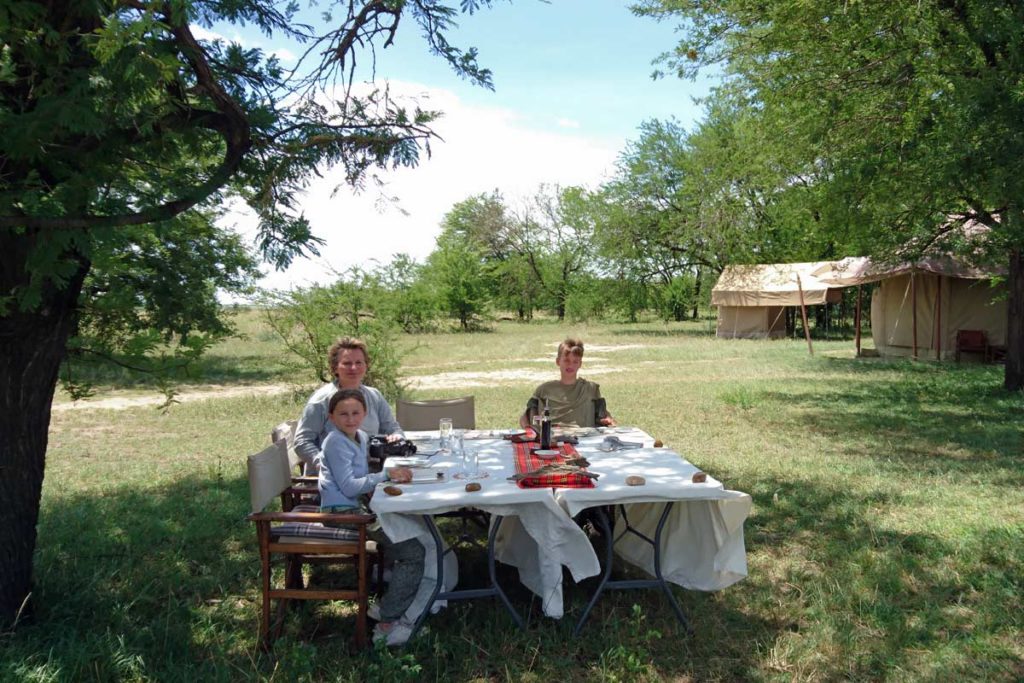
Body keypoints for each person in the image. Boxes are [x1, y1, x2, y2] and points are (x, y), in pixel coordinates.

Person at [317, 388, 423, 646]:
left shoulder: (359, 436)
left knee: (411, 527)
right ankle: (388, 618)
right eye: (343, 414)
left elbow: (370, 460)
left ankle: (390, 600)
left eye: (356, 413)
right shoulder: (334, 441)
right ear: (331, 417)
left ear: (365, 414)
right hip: (343, 514)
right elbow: (350, 487)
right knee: (413, 552)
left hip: (357, 509)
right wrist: (386, 475)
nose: (350, 418)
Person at [295, 337, 403, 473]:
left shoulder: (374, 395)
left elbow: (392, 428)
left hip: (372, 469)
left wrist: (397, 437)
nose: (354, 368)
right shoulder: (321, 401)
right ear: (335, 367)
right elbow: (302, 441)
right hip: (333, 477)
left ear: (366, 366)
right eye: (347, 363)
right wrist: (322, 463)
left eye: (359, 362)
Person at [519, 337, 617, 428]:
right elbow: (526, 417)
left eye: (575, 361)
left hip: (584, 439)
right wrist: (530, 429)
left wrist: (608, 420)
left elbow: (603, 415)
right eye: (566, 360)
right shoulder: (544, 390)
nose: (570, 365)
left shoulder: (590, 389)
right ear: (558, 361)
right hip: (552, 439)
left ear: (580, 364)